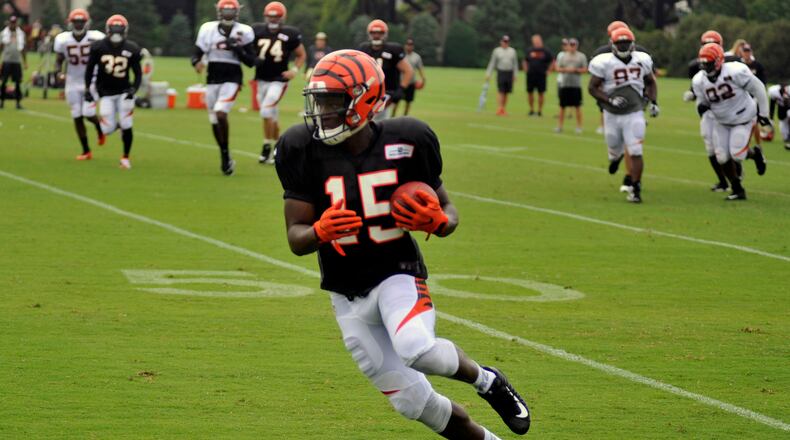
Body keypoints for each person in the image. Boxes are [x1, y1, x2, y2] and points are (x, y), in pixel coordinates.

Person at [275, 49, 531, 440]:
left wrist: (441, 223)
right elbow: (296, 237)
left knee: (417, 348)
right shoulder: (300, 147)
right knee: (413, 404)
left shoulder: (408, 139)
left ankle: (487, 380)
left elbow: (447, 209)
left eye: (332, 101)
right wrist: (319, 231)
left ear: (364, 100)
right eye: (319, 101)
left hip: (397, 274)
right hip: (345, 294)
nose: (322, 112)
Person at [588, 27, 658, 204]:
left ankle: (635, 188)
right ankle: (616, 156)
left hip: (634, 111)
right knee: (613, 145)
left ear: (632, 44)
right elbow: (592, 88)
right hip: (611, 113)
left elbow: (651, 82)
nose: (624, 46)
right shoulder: (603, 62)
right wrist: (609, 99)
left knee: (636, 151)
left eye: (626, 43)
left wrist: (654, 102)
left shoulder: (642, 60)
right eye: (620, 43)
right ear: (612, 44)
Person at [692, 43, 769, 201]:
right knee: (722, 157)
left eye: (709, 63)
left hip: (743, 117)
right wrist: (701, 107)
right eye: (704, 64)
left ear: (719, 61)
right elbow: (702, 101)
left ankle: (755, 154)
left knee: (737, 155)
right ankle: (737, 188)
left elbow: (759, 88)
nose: (706, 67)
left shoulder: (736, 71)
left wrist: (764, 113)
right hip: (721, 121)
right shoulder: (699, 80)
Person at [192, 0, 255, 175]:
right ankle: (224, 153)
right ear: (219, 11)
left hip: (232, 78)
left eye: (230, 11)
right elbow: (196, 54)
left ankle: (225, 154)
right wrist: (196, 62)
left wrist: (238, 49)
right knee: (214, 119)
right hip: (212, 78)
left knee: (221, 113)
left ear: (237, 12)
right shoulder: (208, 29)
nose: (227, 14)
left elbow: (251, 61)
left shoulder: (245, 31)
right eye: (225, 11)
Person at [241, 1, 306, 165]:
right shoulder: (257, 30)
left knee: (265, 111)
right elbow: (247, 49)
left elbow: (301, 54)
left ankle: (266, 147)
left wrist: (294, 70)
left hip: (279, 80)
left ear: (282, 17)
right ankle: (280, 148)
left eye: (276, 17)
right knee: (272, 115)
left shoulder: (290, 33)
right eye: (270, 16)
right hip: (261, 79)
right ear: (265, 16)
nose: (273, 19)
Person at [683, 30, 744, 192]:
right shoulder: (697, 65)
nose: (709, 47)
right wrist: (692, 93)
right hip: (708, 113)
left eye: (714, 44)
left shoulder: (731, 62)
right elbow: (700, 84)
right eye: (706, 44)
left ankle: (737, 177)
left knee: (731, 148)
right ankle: (723, 181)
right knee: (712, 148)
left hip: (729, 110)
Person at [84, 15, 142, 170]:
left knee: (127, 123)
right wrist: (88, 89)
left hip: (124, 91)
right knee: (107, 129)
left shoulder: (131, 48)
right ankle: (118, 127)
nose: (116, 34)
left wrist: (133, 89)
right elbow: (89, 70)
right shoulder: (98, 47)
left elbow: (138, 73)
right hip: (105, 92)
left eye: (119, 31)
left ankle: (125, 157)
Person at [53, 8, 106, 160]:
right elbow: (59, 60)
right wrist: (58, 72)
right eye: (76, 22)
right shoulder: (63, 39)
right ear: (70, 23)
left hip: (92, 80)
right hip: (72, 80)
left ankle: (100, 128)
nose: (78, 25)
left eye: (81, 22)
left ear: (86, 23)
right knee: (76, 115)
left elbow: (104, 56)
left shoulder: (96, 37)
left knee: (88, 113)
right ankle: (86, 150)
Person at [358, 19, 413, 120]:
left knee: (378, 120)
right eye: (374, 33)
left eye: (380, 33)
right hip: (367, 92)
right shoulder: (364, 49)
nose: (376, 36)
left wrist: (401, 89)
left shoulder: (393, 50)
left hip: (386, 93)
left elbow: (408, 71)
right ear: (369, 34)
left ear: (385, 34)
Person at [554, 38, 586, 133]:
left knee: (577, 106)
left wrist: (576, 70)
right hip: (565, 84)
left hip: (576, 85)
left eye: (573, 45)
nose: (572, 47)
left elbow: (585, 69)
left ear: (576, 46)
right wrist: (566, 70)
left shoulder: (581, 56)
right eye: (570, 45)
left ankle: (579, 127)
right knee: (562, 106)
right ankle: (559, 126)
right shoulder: (563, 56)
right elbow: (557, 68)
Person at [484, 35, 518, 116]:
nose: (505, 43)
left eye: (507, 42)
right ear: (501, 42)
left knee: (506, 92)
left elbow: (515, 64)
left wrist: (515, 74)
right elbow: (492, 63)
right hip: (501, 72)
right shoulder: (497, 51)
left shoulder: (512, 51)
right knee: (501, 91)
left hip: (509, 72)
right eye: (504, 42)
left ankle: (503, 108)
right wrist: (488, 73)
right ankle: (499, 108)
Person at [392, 37, 425, 116]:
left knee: (408, 102)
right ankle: (392, 117)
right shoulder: (401, 55)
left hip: (411, 83)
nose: (409, 46)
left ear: (413, 46)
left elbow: (420, 68)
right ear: (405, 45)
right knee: (396, 102)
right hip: (401, 83)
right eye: (408, 44)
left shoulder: (416, 57)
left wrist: (423, 79)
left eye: (411, 45)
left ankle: (405, 117)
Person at [522, 34, 553, 116]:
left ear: (541, 41)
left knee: (541, 93)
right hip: (531, 75)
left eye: (538, 41)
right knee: (530, 92)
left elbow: (552, 61)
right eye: (535, 41)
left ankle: (539, 111)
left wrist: (549, 71)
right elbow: (525, 60)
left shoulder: (545, 51)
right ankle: (531, 110)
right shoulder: (530, 50)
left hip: (541, 75)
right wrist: (526, 69)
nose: (537, 42)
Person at [0, 16, 27, 110]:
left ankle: (18, 103)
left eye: (14, 22)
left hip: (16, 61)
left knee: (18, 83)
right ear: (9, 23)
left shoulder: (21, 34)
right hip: (6, 60)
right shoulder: (4, 33)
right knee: (4, 81)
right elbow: (1, 47)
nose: (13, 24)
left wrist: (25, 62)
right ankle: (2, 102)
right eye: (12, 22)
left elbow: (23, 49)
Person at [767, 83, 789, 150]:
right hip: (781, 110)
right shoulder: (773, 92)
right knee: (785, 136)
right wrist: (771, 118)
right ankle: (787, 138)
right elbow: (772, 105)